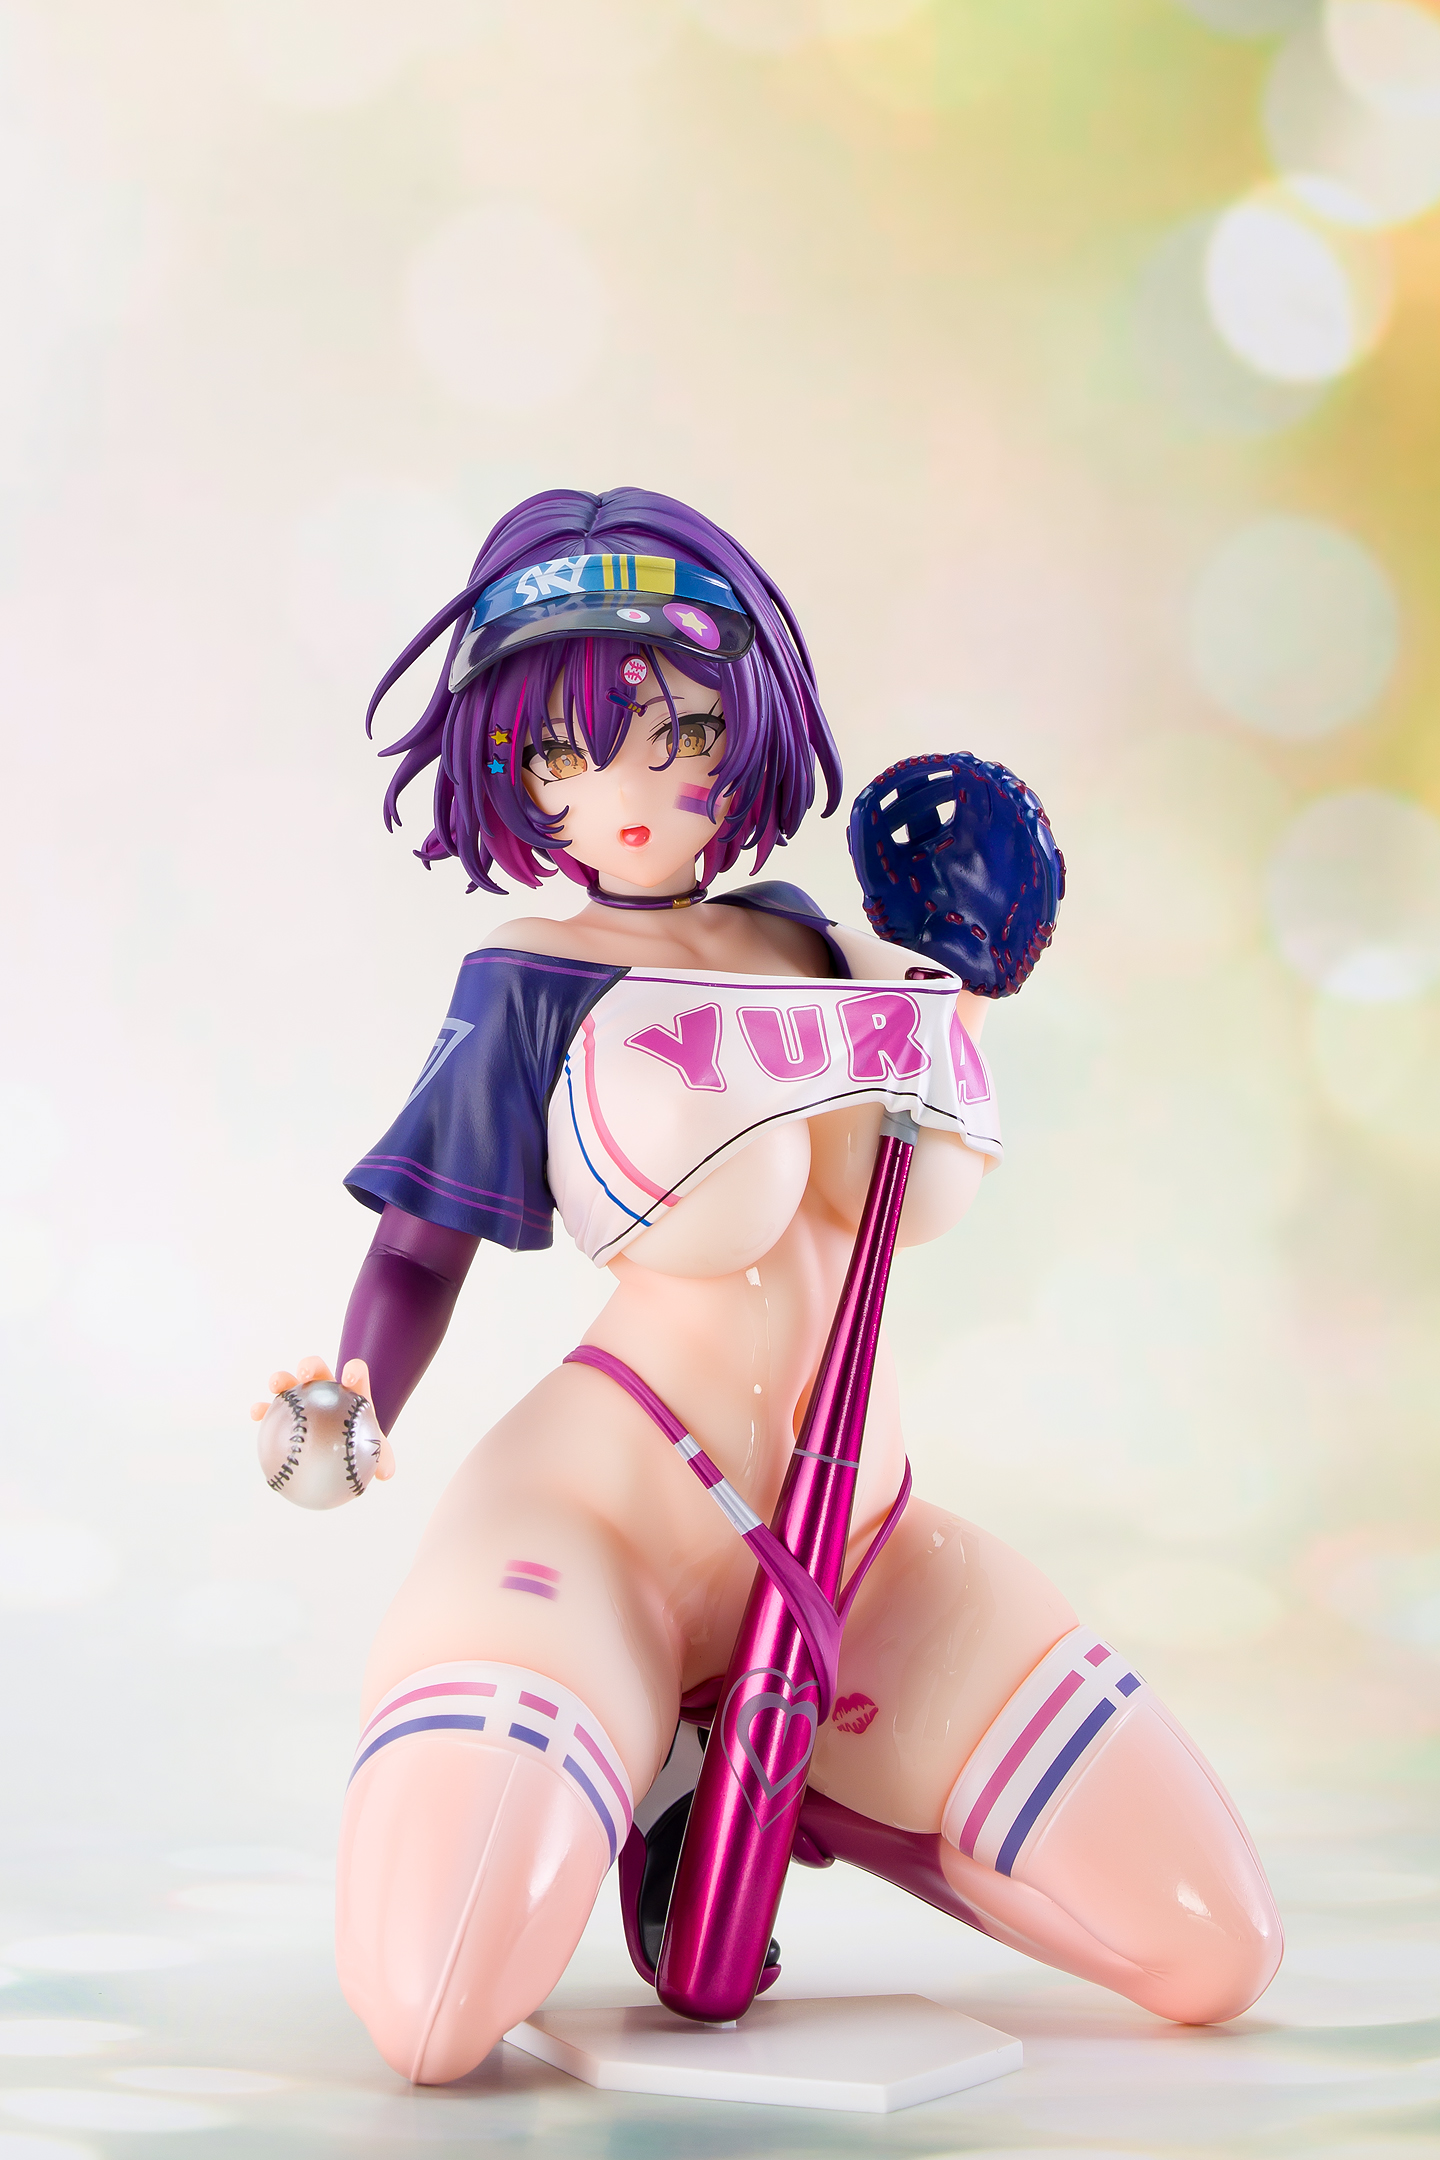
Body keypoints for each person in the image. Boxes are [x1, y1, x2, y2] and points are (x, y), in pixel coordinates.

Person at [251, 487, 1282, 2085]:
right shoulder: (530, 977)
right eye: (561, 752)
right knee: (437, 2001)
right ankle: (659, 1757)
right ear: (508, 771)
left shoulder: (822, 945)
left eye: (676, 731)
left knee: (1213, 1948)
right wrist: (351, 1402)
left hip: (856, 1548)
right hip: (594, 1527)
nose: (623, 792)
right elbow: (414, 1244)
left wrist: (976, 971)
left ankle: (805, 1790)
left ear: (756, 723)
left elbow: (940, 1083)